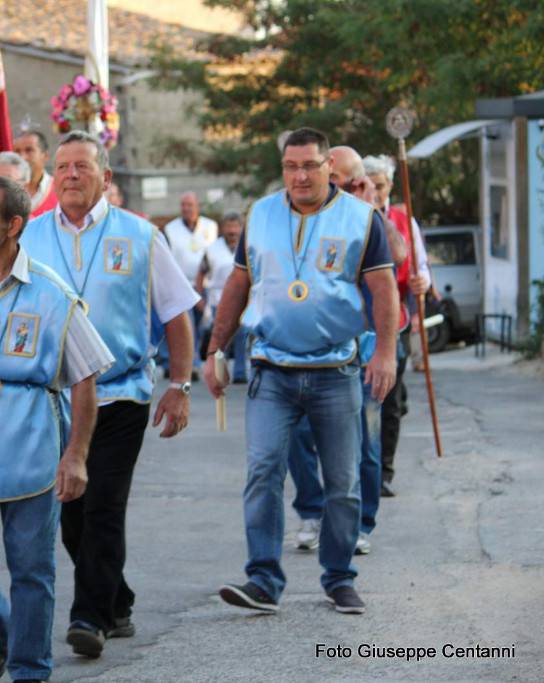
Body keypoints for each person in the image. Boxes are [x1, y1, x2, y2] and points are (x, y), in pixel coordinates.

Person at [204, 128, 398, 616]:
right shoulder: (261, 213)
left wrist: (386, 354)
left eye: (310, 165)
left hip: (336, 369)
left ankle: (339, 577)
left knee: (343, 482)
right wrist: (215, 350)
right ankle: (264, 580)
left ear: (329, 166)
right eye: (291, 166)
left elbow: (383, 290)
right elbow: (238, 283)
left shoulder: (360, 218)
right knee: (263, 470)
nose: (300, 175)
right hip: (272, 368)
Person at [21, 130, 198, 658]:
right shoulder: (28, 237)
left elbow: (175, 313)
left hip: (121, 394)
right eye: (63, 167)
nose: (71, 175)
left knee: (102, 506)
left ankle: (89, 617)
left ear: (106, 177)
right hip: (54, 402)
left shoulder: (141, 236)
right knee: (71, 513)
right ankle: (116, 599)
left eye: (82, 166)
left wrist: (180, 385)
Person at [0, 175, 114, 683]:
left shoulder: (53, 294)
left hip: (31, 444)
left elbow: (85, 377)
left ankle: (30, 669)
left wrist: (76, 454)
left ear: (14, 226)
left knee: (31, 568)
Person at [287, 146, 404, 556]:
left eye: (354, 182)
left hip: (369, 342)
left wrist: (370, 205)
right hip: (315, 344)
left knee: (364, 440)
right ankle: (313, 511)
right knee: (298, 433)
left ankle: (359, 523)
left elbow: (402, 256)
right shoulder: (306, 216)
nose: (343, 189)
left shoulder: (373, 217)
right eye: (337, 181)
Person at [363, 153, 432, 497]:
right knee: (364, 400)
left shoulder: (404, 221)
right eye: (369, 183)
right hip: (359, 321)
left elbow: (420, 266)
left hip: (396, 319)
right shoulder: (351, 215)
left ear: (390, 186)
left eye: (380, 184)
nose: (374, 190)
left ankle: (384, 471)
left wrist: (422, 283)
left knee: (388, 399)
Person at [163, 192, 219, 373]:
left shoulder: (210, 226)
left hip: (206, 283)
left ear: (197, 206)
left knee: (203, 324)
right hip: (181, 283)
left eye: (190, 205)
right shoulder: (171, 228)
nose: (186, 209)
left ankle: (197, 357)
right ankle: (192, 364)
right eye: (183, 205)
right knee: (186, 325)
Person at [197, 211, 247, 383]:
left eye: (235, 226)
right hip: (217, 299)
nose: (232, 230)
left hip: (243, 300)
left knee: (242, 336)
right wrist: (200, 297)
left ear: (241, 228)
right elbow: (201, 272)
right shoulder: (212, 249)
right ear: (222, 228)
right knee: (220, 337)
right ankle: (218, 374)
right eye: (229, 226)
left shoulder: (247, 246)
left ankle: (240, 372)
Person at [12, 128, 58, 217]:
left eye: (29, 150)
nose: (22, 157)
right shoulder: (7, 192)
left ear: (45, 156)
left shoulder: (60, 190)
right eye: (17, 151)